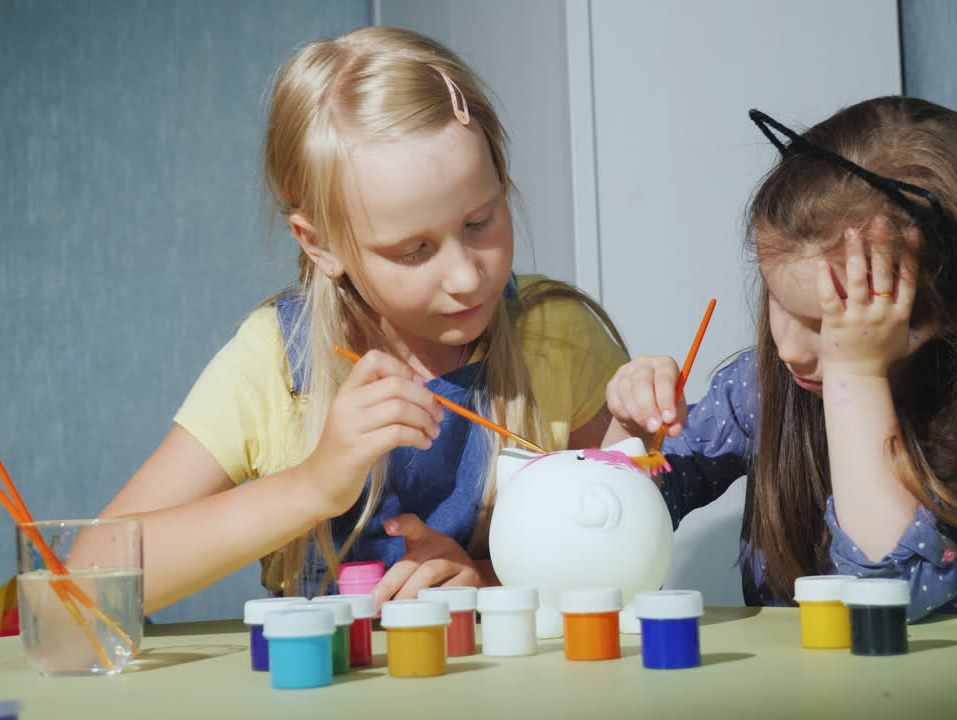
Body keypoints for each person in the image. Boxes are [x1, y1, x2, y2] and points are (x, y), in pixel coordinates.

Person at [97, 27, 628, 614]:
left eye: (480, 221)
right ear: (320, 244)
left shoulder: (556, 339)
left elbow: (621, 564)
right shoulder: (275, 363)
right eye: (412, 251)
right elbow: (88, 583)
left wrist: (484, 581)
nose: (466, 276)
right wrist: (312, 485)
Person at [605, 97, 957, 621]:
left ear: (949, 309)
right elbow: (627, 519)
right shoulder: (761, 387)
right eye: (780, 303)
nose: (788, 349)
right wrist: (630, 438)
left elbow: (879, 597)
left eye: (827, 326)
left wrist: (855, 375)